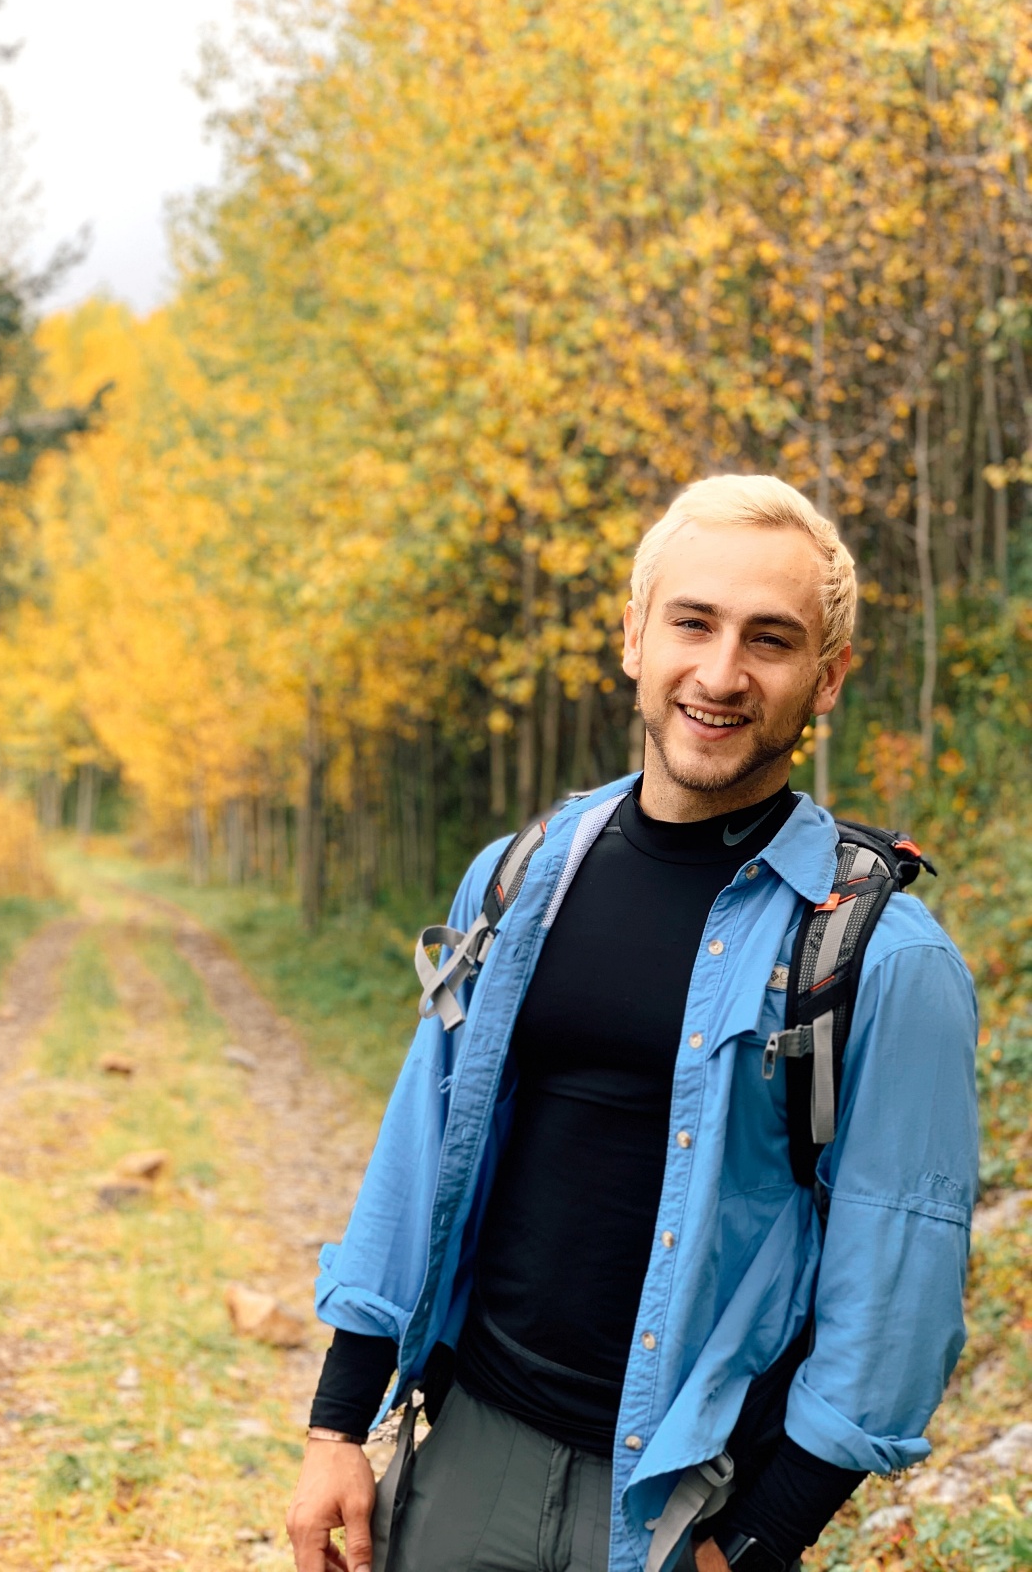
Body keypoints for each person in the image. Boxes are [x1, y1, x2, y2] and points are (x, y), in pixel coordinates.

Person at [286, 476, 978, 1572]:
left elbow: (896, 1286)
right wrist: (338, 1423)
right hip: (473, 1455)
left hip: (684, 1506)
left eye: (772, 639)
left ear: (827, 678)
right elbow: (419, 1152)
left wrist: (756, 1537)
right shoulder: (518, 881)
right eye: (692, 621)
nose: (720, 672)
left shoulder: (886, 958)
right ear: (633, 636)